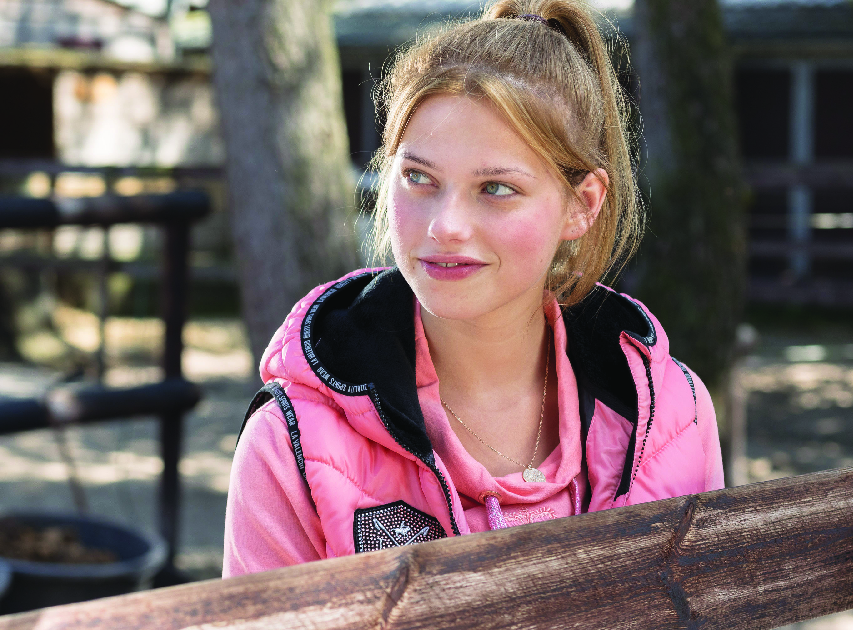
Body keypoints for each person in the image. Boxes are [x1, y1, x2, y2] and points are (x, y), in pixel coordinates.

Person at [223, 0, 724, 577]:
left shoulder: (675, 414)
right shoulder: (290, 443)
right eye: (419, 178)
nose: (445, 226)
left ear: (581, 205)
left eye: (496, 188)